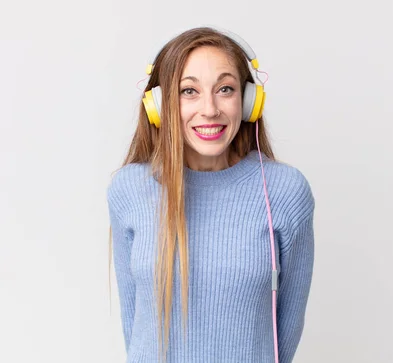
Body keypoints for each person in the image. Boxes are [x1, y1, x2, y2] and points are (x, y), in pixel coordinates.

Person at [107, 26, 315, 363]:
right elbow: (135, 328)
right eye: (189, 91)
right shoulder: (129, 189)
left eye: (225, 89)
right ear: (159, 105)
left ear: (248, 101)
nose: (210, 109)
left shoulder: (284, 192)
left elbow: (286, 334)